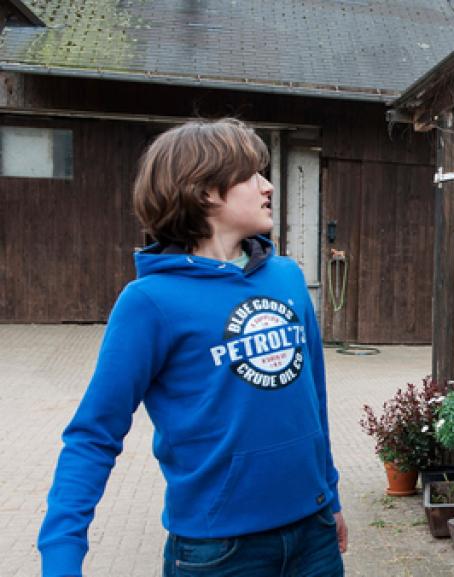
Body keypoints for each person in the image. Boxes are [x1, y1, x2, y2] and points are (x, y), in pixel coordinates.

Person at [37, 118, 347, 577]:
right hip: (217, 552)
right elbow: (93, 436)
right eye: (251, 176)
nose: (267, 187)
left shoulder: (287, 278)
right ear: (205, 191)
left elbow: (313, 400)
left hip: (313, 534)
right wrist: (61, 558)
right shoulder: (149, 302)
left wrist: (332, 495)